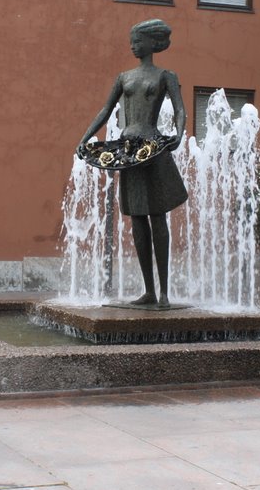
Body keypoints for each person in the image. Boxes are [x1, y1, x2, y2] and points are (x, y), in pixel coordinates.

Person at [78, 18, 188, 309]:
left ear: (152, 43)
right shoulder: (124, 77)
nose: (133, 45)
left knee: (157, 216)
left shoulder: (166, 75)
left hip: (152, 150)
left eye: (138, 40)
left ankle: (164, 292)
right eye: (131, 40)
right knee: (137, 218)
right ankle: (149, 291)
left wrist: (179, 133)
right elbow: (106, 109)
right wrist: (86, 137)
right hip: (129, 152)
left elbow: (179, 108)